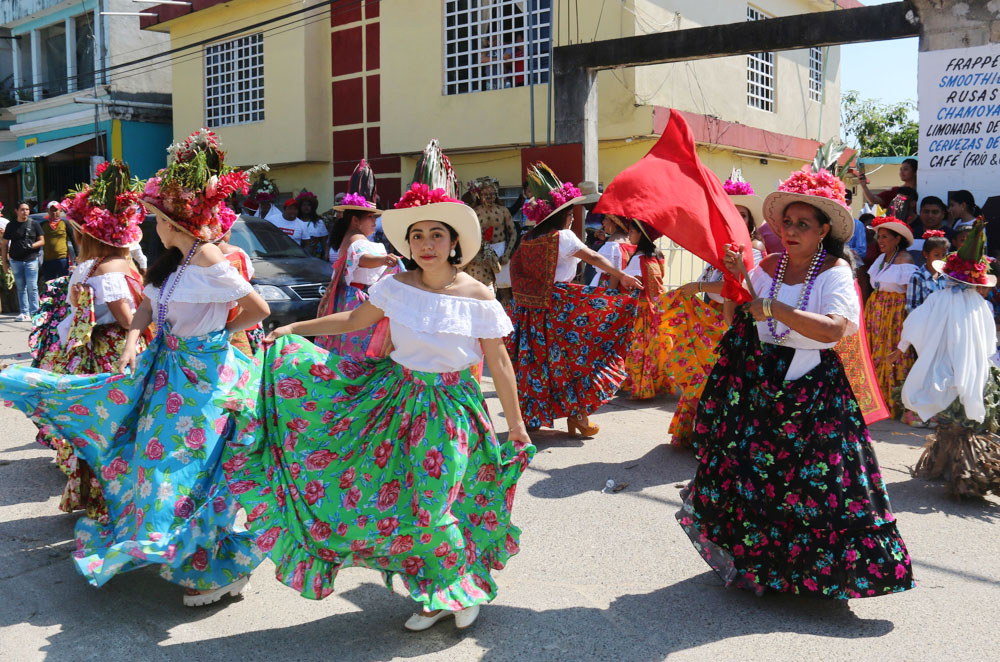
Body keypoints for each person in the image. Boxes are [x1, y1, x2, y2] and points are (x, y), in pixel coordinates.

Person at [217, 147, 535, 631]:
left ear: (453, 242)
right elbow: (355, 318)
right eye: (417, 235)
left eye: (436, 234)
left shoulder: (477, 294)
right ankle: (435, 593)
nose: (426, 243)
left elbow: (499, 362)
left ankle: (454, 588)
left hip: (451, 409)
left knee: (435, 503)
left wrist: (516, 426)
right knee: (399, 503)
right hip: (394, 401)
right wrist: (298, 331)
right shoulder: (396, 285)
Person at [0, 129, 270, 606]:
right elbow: (146, 308)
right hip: (162, 374)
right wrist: (130, 341)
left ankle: (216, 565)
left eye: (159, 217)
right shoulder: (168, 260)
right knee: (152, 461)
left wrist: (214, 341)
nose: (152, 224)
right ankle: (185, 551)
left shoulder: (207, 255)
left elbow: (256, 309)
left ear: (175, 221)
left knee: (189, 468)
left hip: (201, 381)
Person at [677, 166, 914, 599]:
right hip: (761, 383)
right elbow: (745, 313)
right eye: (786, 222)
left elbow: (833, 330)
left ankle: (822, 575)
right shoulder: (768, 265)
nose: (790, 230)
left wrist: (775, 309)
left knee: (820, 486)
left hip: (814, 390)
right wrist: (737, 281)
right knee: (757, 478)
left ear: (824, 230)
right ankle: (761, 567)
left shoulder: (836, 272)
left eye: (802, 224)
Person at [26, 162, 151, 524]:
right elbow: (127, 320)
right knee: (120, 425)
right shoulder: (111, 269)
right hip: (115, 349)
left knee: (97, 425)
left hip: (89, 350)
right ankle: (112, 501)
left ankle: (91, 495)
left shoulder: (85, 267)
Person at [506, 162, 641, 435]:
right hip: (560, 308)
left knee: (534, 363)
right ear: (564, 216)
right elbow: (593, 256)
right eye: (570, 214)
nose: (571, 219)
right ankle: (577, 416)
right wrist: (621, 275)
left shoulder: (530, 238)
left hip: (530, 312)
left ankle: (533, 416)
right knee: (577, 359)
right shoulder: (564, 237)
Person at [656, 181, 766, 446]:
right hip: (709, 316)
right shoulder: (719, 249)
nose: (736, 219)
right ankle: (698, 432)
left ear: (749, 222)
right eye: (732, 214)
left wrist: (697, 287)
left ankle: (718, 436)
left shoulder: (753, 249)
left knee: (718, 377)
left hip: (733, 318)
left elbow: (737, 286)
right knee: (702, 375)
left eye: (742, 215)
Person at [902, 221, 1000, 497]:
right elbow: (989, 342)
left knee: (949, 419)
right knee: (961, 421)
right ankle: (951, 469)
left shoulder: (939, 298)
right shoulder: (982, 305)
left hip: (943, 365)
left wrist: (904, 343)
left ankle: (949, 469)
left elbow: (915, 323)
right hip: (971, 369)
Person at [314, 160, 400, 358]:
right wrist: (383, 260)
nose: (374, 221)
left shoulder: (352, 237)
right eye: (370, 217)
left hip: (352, 297)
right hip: (357, 300)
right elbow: (361, 259)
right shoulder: (355, 239)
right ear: (355, 220)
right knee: (359, 349)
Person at [866, 216, 917, 418]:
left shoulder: (905, 261)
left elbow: (909, 294)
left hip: (894, 315)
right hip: (876, 311)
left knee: (892, 351)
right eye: (879, 236)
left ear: (898, 239)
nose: (880, 240)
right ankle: (876, 399)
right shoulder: (882, 259)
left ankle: (893, 400)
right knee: (876, 351)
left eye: (885, 236)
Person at [463, 179, 517, 304]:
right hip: (481, 252)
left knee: (505, 290)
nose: (489, 197)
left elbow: (513, 233)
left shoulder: (503, 211)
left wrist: (507, 254)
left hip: (501, 250)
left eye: (492, 194)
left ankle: (506, 316)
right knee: (482, 288)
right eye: (485, 194)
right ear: (479, 196)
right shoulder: (475, 212)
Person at [1, 201, 44, 321]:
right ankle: (24, 312)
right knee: (21, 287)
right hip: (16, 261)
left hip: (31, 260)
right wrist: (5, 263)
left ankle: (35, 312)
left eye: (27, 209)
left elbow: (42, 241)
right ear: (17, 211)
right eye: (22, 209)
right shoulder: (11, 225)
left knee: (32, 286)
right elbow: (4, 244)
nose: (25, 212)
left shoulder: (34, 224)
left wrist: (32, 245)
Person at [906, 230, 949, 313]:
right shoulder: (917, 277)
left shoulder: (947, 276)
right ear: (926, 254)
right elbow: (911, 307)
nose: (940, 258)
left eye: (943, 255)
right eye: (936, 255)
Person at [40, 200, 74, 282]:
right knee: (49, 285)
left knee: (63, 283)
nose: (54, 212)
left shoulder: (65, 223)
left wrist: (77, 255)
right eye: (51, 210)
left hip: (62, 259)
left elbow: (73, 239)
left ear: (60, 211)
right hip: (47, 260)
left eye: (56, 210)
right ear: (48, 211)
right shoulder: (43, 225)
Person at [296, 189, 328, 259]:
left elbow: (324, 240)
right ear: (299, 207)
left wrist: (326, 254)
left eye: (309, 205)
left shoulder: (319, 222)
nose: (306, 207)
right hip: (299, 255)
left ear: (312, 207)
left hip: (317, 255)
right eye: (303, 205)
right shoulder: (296, 221)